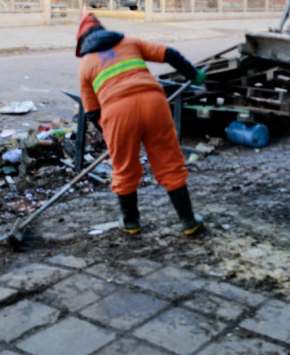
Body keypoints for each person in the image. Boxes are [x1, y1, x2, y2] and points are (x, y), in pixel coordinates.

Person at [76, 12, 207, 235]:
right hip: (154, 104)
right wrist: (193, 74)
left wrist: (108, 133)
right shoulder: (130, 42)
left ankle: (131, 223)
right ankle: (188, 221)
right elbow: (169, 54)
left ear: (83, 43)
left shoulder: (86, 65)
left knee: (124, 167)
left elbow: (92, 112)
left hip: (117, 113)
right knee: (169, 162)